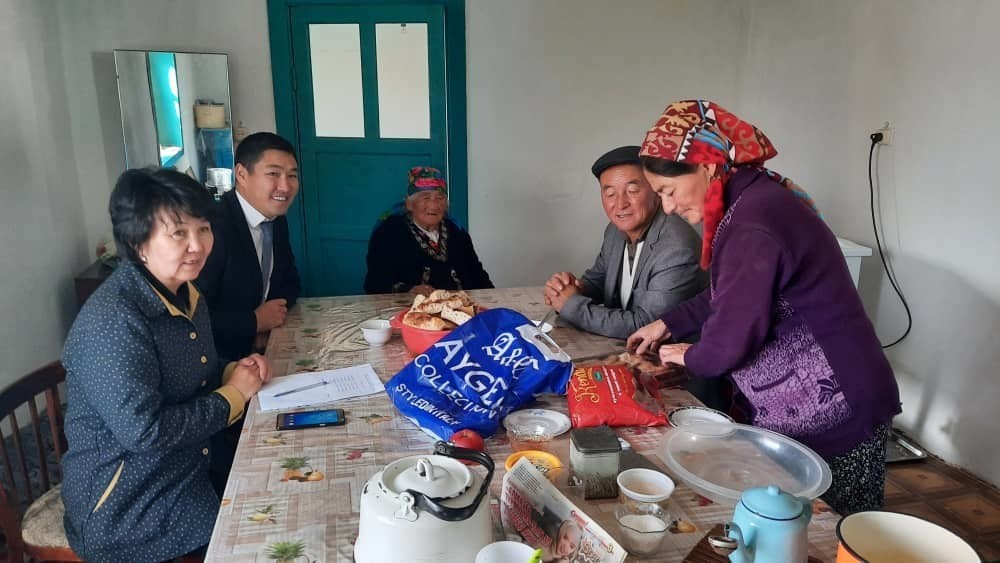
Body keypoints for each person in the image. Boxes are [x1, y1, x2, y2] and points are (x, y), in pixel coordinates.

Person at [627, 100, 901, 515]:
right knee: (792, 523)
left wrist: (692, 356)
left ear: (706, 165)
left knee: (836, 528)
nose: (668, 207)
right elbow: (730, 292)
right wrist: (668, 323)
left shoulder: (753, 221)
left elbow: (730, 342)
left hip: (839, 407)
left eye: (668, 191)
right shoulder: (748, 203)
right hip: (810, 403)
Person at [61, 169, 271, 561]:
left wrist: (234, 371)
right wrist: (233, 395)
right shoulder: (114, 319)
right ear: (137, 241)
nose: (198, 245)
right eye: (178, 233)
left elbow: (199, 366)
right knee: (255, 542)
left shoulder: (185, 292)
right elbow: (146, 432)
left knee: (275, 490)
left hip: (189, 464)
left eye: (204, 229)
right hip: (130, 501)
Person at [543, 145, 706, 340]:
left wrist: (571, 306)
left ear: (656, 191)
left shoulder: (677, 248)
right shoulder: (614, 231)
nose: (620, 204)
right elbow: (599, 279)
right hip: (619, 347)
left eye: (632, 190)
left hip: (669, 354)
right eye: (610, 194)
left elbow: (647, 325)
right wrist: (567, 289)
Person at [197, 131, 301, 361]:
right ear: (242, 175)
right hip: (218, 361)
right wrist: (253, 323)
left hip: (263, 348)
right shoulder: (212, 229)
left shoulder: (275, 218)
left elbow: (290, 282)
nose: (285, 186)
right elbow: (193, 318)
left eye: (292, 176)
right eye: (273, 174)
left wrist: (267, 324)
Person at [364, 166, 493, 294]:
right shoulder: (389, 232)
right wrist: (408, 290)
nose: (434, 205)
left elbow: (477, 273)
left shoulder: (456, 231)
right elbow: (375, 282)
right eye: (426, 198)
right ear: (409, 204)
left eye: (440, 198)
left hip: (461, 304)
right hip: (412, 306)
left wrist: (493, 299)